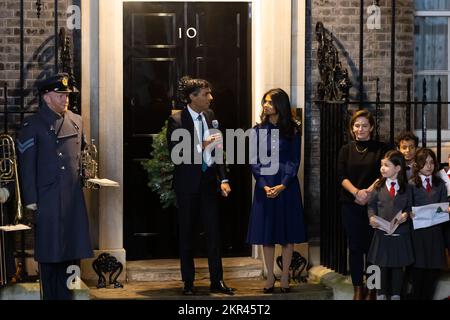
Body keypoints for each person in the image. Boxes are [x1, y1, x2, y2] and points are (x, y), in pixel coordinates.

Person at [17, 73, 93, 300]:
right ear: (46, 97)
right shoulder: (33, 124)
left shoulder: (77, 120)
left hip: (72, 197)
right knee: (50, 253)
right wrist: (30, 200)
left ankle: (69, 295)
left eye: (67, 95)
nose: (65, 99)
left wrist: (88, 176)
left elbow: (82, 156)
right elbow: (26, 164)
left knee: (73, 250)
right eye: (59, 95)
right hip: (48, 198)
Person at [166, 76, 234, 296]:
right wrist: (202, 144)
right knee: (187, 234)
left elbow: (218, 150)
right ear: (192, 97)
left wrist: (223, 179)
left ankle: (217, 281)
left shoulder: (210, 116)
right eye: (206, 94)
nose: (210, 98)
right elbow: (178, 154)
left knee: (214, 233)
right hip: (187, 185)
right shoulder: (176, 120)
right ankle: (188, 282)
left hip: (208, 184)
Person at [246, 88, 306, 293]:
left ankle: (286, 275)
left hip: (286, 186)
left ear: (280, 105)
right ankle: (270, 275)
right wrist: (263, 185)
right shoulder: (256, 131)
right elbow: (253, 161)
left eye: (270, 102)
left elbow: (294, 160)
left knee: (287, 235)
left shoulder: (293, 131)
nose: (265, 105)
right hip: (265, 186)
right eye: (264, 102)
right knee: (267, 234)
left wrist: (283, 184)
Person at [337, 109, 388, 300]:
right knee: (356, 247)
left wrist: (368, 192)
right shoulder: (346, 149)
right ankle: (358, 287)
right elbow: (341, 176)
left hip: (375, 204)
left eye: (364, 125)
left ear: (372, 127)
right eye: (356, 125)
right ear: (352, 128)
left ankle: (372, 288)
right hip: (350, 204)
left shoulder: (381, 148)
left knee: (374, 247)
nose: (360, 129)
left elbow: (383, 174)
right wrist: (357, 192)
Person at [367, 150, 414, 300]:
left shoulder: (407, 188)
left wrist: (406, 214)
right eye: (382, 165)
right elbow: (371, 206)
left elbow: (410, 207)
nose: (382, 168)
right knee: (380, 265)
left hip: (400, 233)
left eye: (386, 165)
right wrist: (371, 217)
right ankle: (380, 294)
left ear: (398, 168)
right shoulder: (378, 186)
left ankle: (395, 295)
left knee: (397, 266)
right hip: (381, 234)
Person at [409, 148, 448, 300]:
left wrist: (446, 210)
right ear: (417, 165)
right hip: (418, 236)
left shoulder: (440, 184)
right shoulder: (411, 185)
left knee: (432, 275)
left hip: (436, 235)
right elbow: (407, 206)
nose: (429, 166)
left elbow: (444, 205)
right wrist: (409, 212)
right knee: (418, 276)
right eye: (424, 163)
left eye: (431, 162)